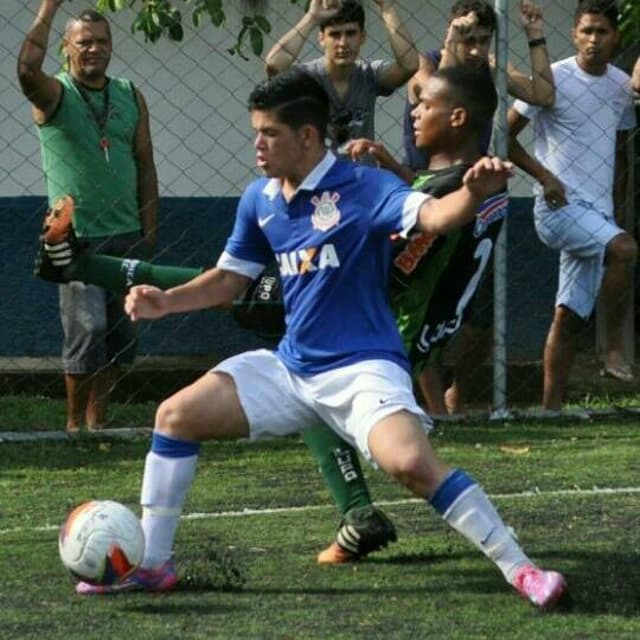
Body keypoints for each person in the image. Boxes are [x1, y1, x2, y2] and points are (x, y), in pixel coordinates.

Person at [72, 68, 566, 609]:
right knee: (174, 416)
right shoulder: (259, 199)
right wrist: (167, 301)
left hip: (363, 369)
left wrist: (471, 195)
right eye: (256, 132)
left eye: (270, 134)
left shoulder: (365, 186)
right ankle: (153, 566)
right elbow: (230, 279)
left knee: (410, 465)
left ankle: (523, 571)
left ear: (308, 136)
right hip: (291, 369)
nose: (257, 145)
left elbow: (433, 215)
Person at [403, 0, 555, 414]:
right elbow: (423, 90)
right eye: (466, 38)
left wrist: (534, 33)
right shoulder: (428, 67)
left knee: (480, 315)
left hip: (475, 197)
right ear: (451, 33)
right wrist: (452, 43)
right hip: (428, 195)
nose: (473, 48)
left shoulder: (488, 71)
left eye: (482, 40)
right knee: (421, 303)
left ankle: (457, 392)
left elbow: (543, 94)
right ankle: (435, 409)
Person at [17, 1, 159, 432]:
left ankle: (100, 423)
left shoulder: (129, 94)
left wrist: (148, 228)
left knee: (122, 338)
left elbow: (145, 163)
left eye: (101, 41)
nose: (93, 49)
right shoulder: (55, 94)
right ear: (67, 47)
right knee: (88, 331)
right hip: (77, 239)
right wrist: (48, 9)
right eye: (84, 42)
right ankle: (73, 426)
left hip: (127, 234)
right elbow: (26, 70)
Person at [507, 0, 637, 410]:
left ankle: (550, 410)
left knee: (565, 317)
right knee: (625, 249)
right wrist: (545, 178)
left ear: (615, 37)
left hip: (598, 215)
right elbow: (505, 139)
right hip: (558, 208)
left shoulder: (620, 86)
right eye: (586, 31)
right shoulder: (553, 78)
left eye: (601, 32)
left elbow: (616, 153)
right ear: (574, 33)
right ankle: (614, 347)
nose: (593, 41)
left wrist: (614, 208)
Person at [265, 0, 418, 159]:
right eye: (335, 34)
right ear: (322, 38)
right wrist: (311, 17)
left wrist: (387, 7)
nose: (343, 43)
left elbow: (410, 65)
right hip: (319, 179)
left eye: (350, 33)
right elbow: (275, 65)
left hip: (361, 177)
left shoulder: (370, 74)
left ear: (362, 37)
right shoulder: (307, 78)